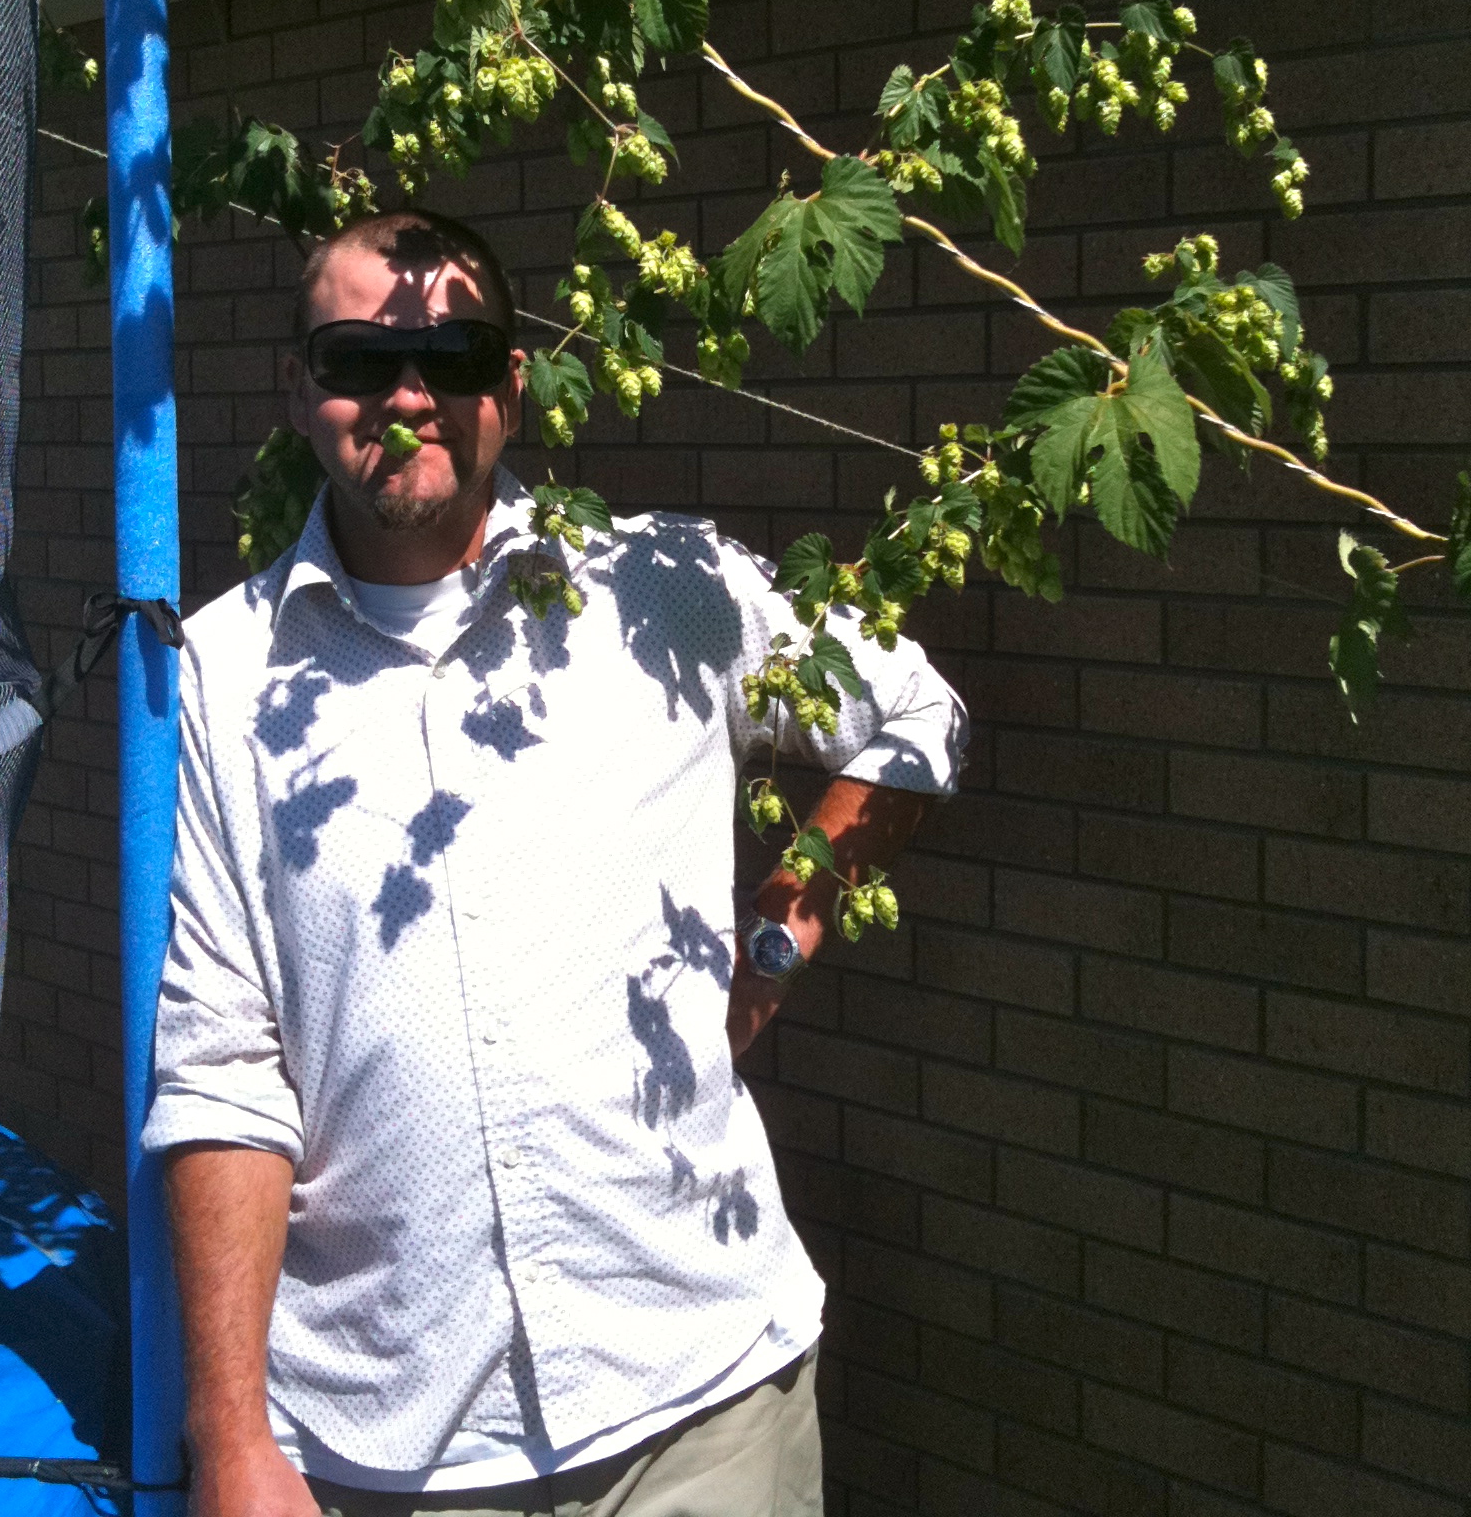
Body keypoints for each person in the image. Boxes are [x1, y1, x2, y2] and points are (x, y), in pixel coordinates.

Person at [144, 208, 967, 1517]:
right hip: (394, 1448)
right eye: (358, 357)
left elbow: (913, 718)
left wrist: (781, 922)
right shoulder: (222, 682)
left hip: (707, 1404)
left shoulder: (666, 594)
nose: (409, 394)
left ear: (510, 393)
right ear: (297, 389)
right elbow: (223, 1065)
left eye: (458, 355)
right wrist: (231, 1435)